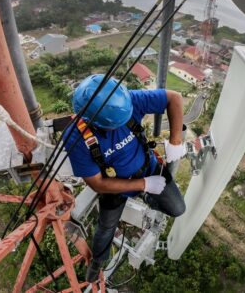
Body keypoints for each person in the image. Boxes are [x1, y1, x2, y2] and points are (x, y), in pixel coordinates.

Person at [64, 74, 187, 282]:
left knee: (178, 208)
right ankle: (98, 261)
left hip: (148, 167)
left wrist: (175, 141)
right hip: (115, 187)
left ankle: (146, 196)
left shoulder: (124, 102)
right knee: (105, 229)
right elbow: (97, 184)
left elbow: (174, 98)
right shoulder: (76, 138)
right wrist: (144, 185)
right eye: (114, 126)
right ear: (96, 122)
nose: (120, 127)